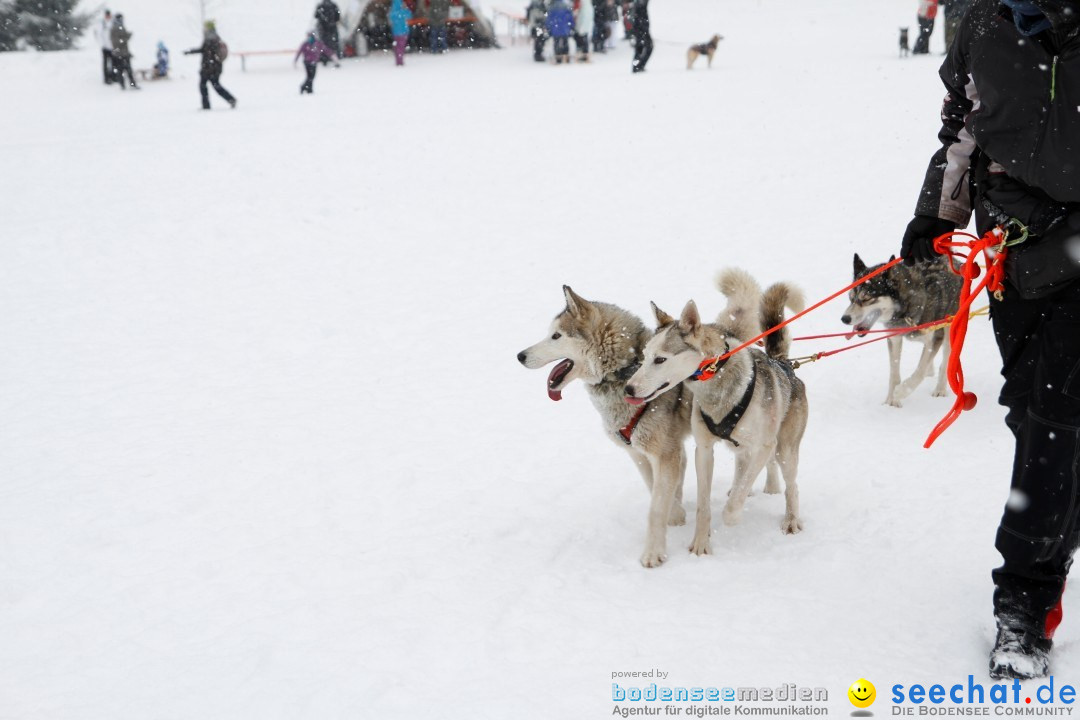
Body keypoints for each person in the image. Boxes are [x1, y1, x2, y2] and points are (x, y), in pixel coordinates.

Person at [899, 0, 1080, 680]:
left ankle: (1024, 602)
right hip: (1015, 252)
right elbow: (960, 131)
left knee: (1055, 423)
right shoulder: (981, 26)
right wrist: (933, 215)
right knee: (1030, 412)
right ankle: (1061, 512)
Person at [184, 21, 236, 110]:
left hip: (210, 68)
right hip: (213, 67)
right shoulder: (215, 38)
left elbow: (206, 52)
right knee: (214, 85)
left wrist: (191, 52)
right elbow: (205, 51)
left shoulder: (210, 39)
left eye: (205, 28)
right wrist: (191, 51)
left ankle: (208, 105)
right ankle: (230, 99)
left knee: (205, 86)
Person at [109, 13, 139, 89]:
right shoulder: (114, 29)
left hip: (125, 53)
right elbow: (116, 42)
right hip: (119, 54)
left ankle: (132, 85)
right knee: (121, 70)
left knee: (129, 70)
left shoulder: (121, 27)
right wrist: (126, 38)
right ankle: (122, 85)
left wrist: (127, 36)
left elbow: (123, 38)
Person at [629, 0, 651, 72]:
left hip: (641, 28)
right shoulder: (638, 3)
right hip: (640, 28)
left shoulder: (638, 3)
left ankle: (638, 66)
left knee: (641, 48)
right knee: (641, 48)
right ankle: (637, 66)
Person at [389, 0, 412, 66]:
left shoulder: (393, 12)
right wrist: (405, 8)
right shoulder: (402, 11)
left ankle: (398, 60)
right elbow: (409, 15)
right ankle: (400, 61)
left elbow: (392, 17)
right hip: (403, 31)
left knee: (398, 46)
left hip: (396, 32)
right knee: (401, 47)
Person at [98, 9, 114, 84]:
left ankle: (113, 76)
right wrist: (102, 45)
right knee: (106, 64)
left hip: (113, 47)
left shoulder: (112, 22)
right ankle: (106, 78)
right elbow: (100, 35)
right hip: (105, 47)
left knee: (113, 63)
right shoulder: (102, 23)